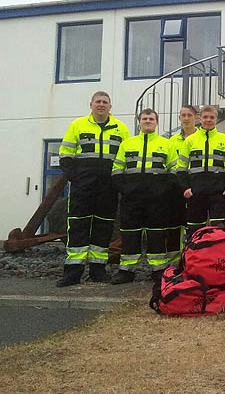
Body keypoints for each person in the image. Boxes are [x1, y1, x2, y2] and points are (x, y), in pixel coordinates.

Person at [57, 91, 130, 287]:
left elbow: (126, 158)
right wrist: (76, 178)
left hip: (108, 188)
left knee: (104, 228)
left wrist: (118, 183)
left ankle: (98, 270)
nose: (101, 105)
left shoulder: (121, 129)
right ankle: (73, 273)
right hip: (83, 188)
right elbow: (65, 155)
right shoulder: (77, 125)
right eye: (98, 101)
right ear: (91, 105)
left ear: (110, 106)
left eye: (105, 102)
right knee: (78, 227)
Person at [111, 109, 177, 284]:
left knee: (156, 234)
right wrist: (125, 189)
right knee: (130, 233)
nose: (148, 121)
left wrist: (163, 191)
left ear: (157, 122)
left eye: (151, 119)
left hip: (157, 199)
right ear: (139, 122)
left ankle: (158, 270)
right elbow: (117, 170)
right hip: (131, 199)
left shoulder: (167, 144)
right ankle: (126, 271)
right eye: (145, 118)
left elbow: (174, 171)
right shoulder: (127, 144)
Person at [176, 105, 225, 237]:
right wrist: (185, 188)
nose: (208, 120)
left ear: (216, 119)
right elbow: (181, 168)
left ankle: (217, 256)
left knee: (219, 230)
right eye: (205, 117)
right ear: (199, 118)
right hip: (196, 193)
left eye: (211, 117)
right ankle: (195, 256)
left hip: (219, 194)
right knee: (195, 230)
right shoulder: (190, 140)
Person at [166, 104, 198, 265]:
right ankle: (175, 260)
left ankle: (195, 256)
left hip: (197, 186)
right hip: (178, 186)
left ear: (196, 118)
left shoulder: (201, 138)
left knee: (195, 223)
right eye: (183, 115)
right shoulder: (171, 141)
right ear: (179, 118)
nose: (186, 118)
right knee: (175, 222)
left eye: (189, 115)